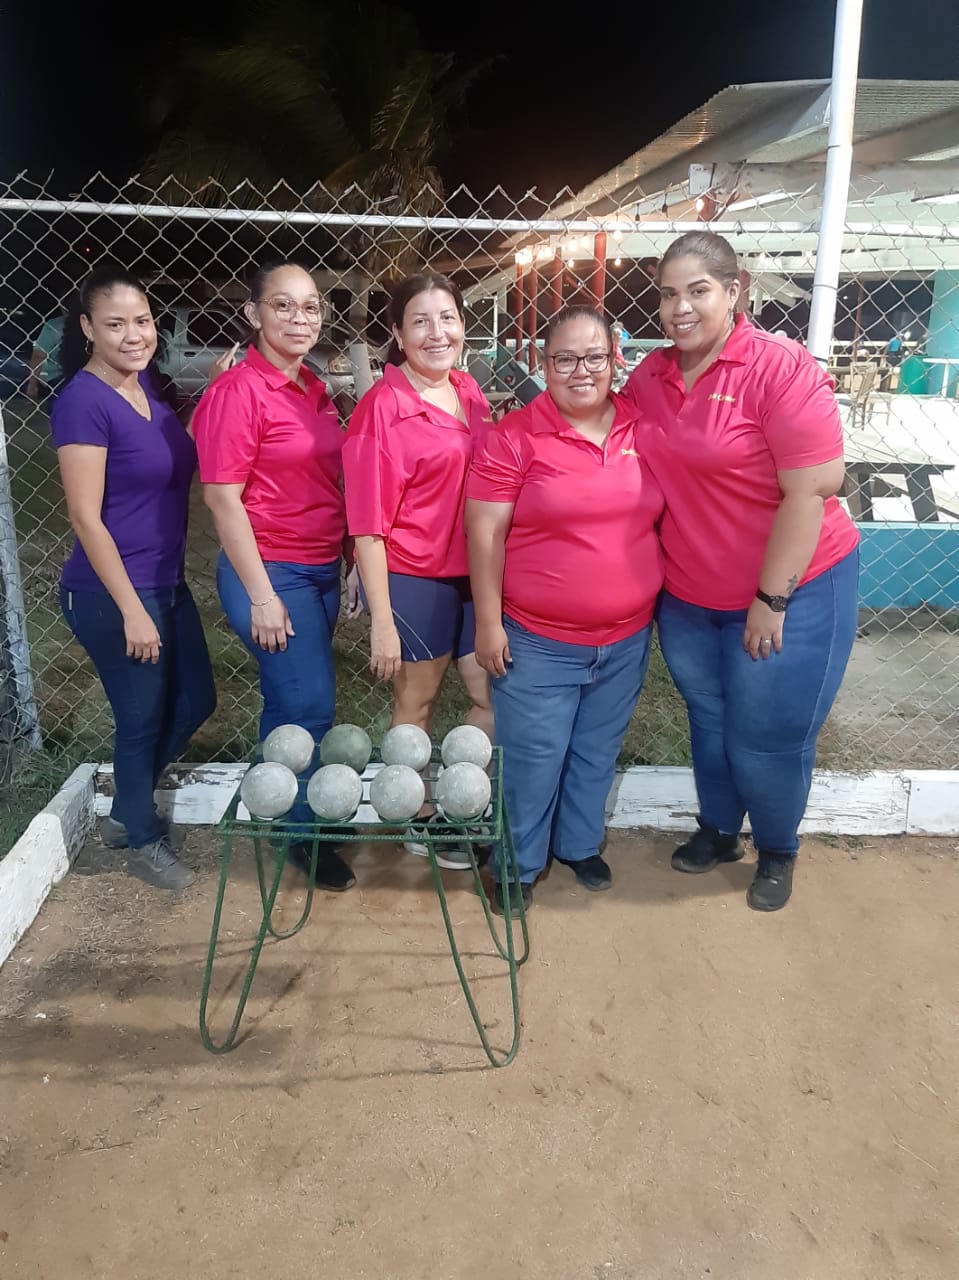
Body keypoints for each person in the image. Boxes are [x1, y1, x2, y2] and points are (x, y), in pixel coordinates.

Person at [623, 231, 860, 912]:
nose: (678, 308)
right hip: (691, 596)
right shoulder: (651, 377)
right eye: (667, 294)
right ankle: (719, 830)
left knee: (766, 732)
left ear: (734, 290)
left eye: (697, 290)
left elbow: (812, 488)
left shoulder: (776, 368)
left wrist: (770, 597)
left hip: (792, 587)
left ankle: (777, 848)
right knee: (710, 720)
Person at [466, 306, 665, 915]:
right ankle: (517, 861)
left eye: (595, 358)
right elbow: (483, 535)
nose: (581, 371)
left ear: (615, 361)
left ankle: (577, 844)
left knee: (595, 749)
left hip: (627, 635)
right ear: (543, 364)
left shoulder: (642, 426)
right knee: (534, 756)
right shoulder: (514, 436)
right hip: (539, 639)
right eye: (564, 359)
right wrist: (490, 622)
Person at [193, 261, 360, 892]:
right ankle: (301, 832)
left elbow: (324, 482)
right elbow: (221, 498)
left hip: (318, 566)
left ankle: (283, 801)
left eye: (311, 307)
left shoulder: (313, 388)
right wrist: (262, 595)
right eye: (283, 306)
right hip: (269, 569)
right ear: (252, 314)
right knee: (310, 700)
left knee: (289, 698)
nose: (300, 319)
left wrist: (345, 562)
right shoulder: (238, 391)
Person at [52, 265, 216, 890]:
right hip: (108, 591)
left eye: (142, 321)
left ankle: (127, 803)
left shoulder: (147, 388)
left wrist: (216, 396)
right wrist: (132, 610)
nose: (132, 334)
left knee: (196, 699)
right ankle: (141, 837)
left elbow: (177, 458)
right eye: (115, 324)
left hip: (165, 583)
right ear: (88, 328)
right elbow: (84, 518)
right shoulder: (83, 402)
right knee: (141, 718)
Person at [342, 270, 495, 869]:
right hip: (416, 575)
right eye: (421, 322)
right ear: (399, 334)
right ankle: (415, 815)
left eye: (448, 318)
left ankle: (463, 800)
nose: (437, 333)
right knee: (418, 703)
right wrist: (382, 619)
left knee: (489, 693)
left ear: (463, 323)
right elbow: (369, 527)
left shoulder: (467, 388)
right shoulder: (383, 408)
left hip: (472, 575)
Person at [27, 311, 65, 400]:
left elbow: (38, 355)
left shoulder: (55, 325)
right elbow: (38, 355)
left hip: (60, 376)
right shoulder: (55, 325)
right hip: (57, 374)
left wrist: (32, 384)